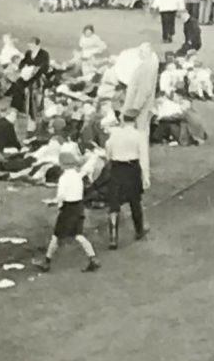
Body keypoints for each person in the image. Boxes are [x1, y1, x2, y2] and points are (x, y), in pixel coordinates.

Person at [39, 144, 101, 274]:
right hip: (79, 207)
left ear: (62, 165)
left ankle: (47, 262)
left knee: (56, 236)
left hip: (68, 209)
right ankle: (92, 258)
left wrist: (52, 202)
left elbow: (61, 196)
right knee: (79, 235)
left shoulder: (64, 178)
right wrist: (94, 155)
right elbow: (87, 166)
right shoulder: (78, 176)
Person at [101, 112, 148, 249]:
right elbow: (143, 157)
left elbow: (108, 151)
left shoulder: (115, 134)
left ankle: (113, 237)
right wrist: (145, 177)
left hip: (117, 168)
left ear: (123, 120)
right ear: (135, 121)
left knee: (114, 202)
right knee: (135, 201)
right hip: (132, 168)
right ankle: (139, 231)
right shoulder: (139, 135)